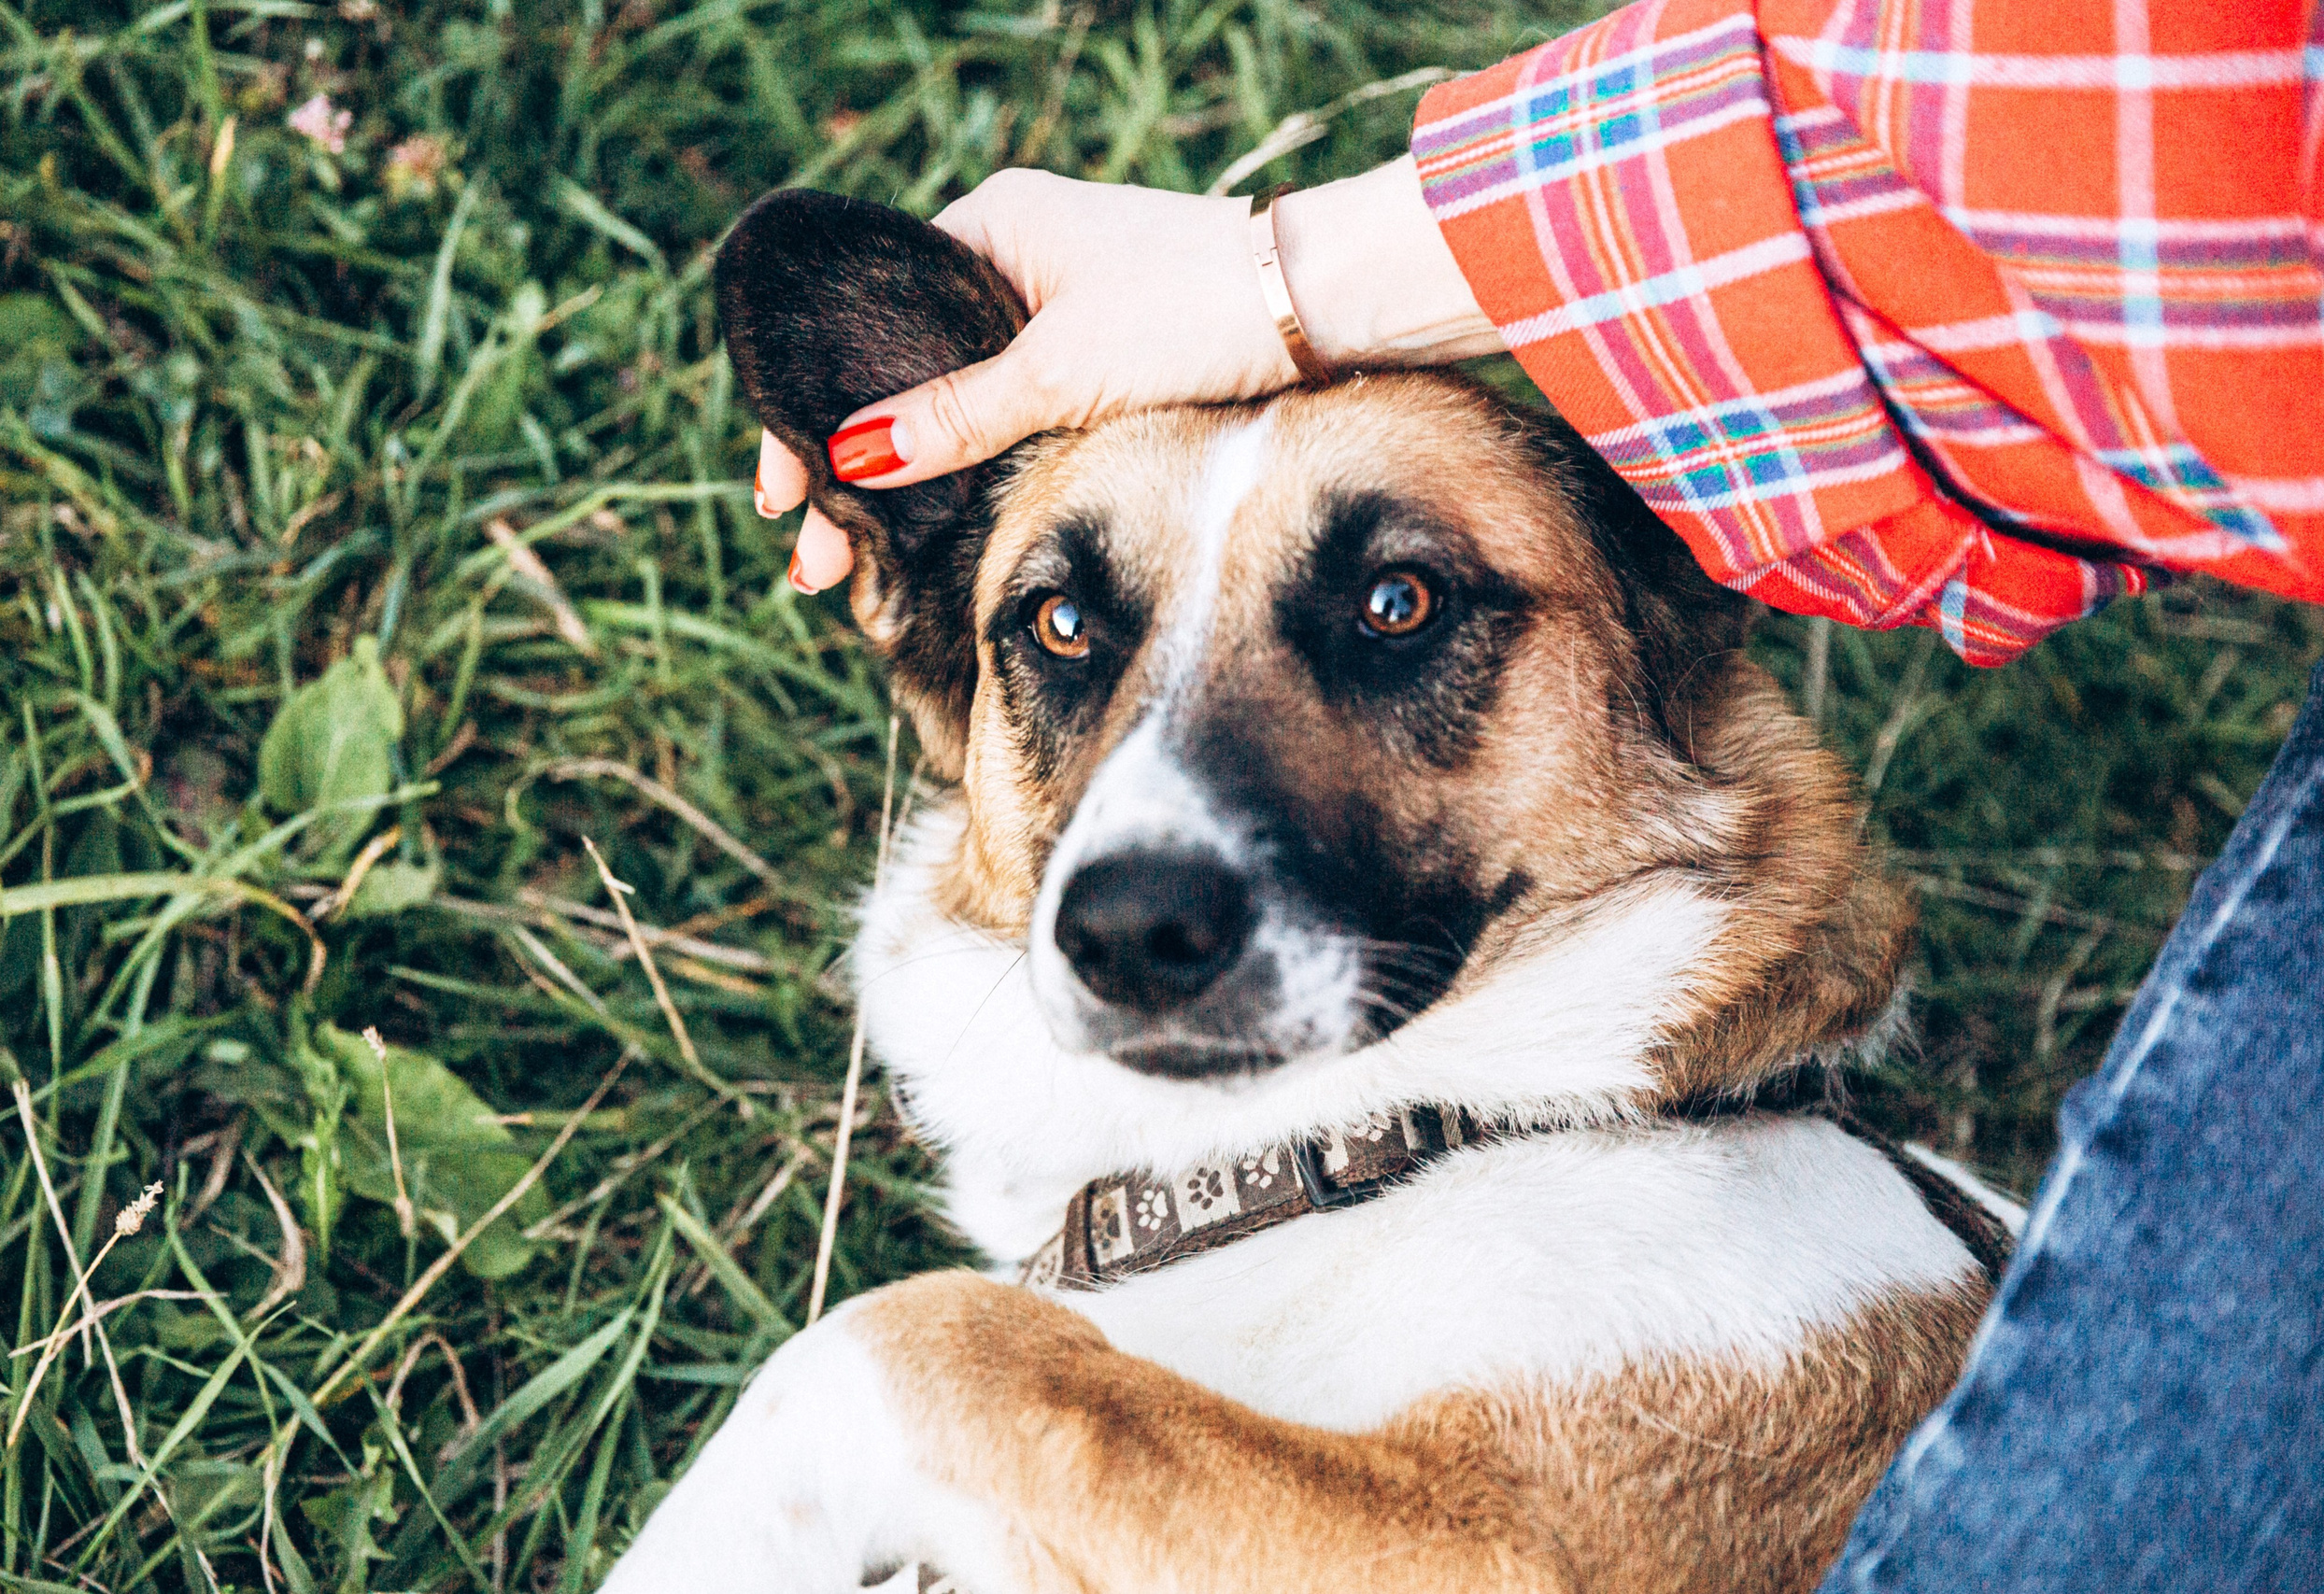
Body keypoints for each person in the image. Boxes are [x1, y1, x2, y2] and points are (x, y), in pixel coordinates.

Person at [753, 1, 2324, 1587]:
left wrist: (924, 1403)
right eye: (1070, 630)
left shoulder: (1735, 1284)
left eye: (1398, 613)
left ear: (1665, 640)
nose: (1152, 829)